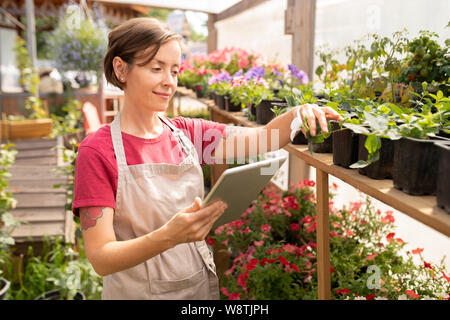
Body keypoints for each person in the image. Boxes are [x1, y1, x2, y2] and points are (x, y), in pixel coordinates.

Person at [72, 17, 343, 300]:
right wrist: (168, 236)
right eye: (156, 68)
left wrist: (300, 113)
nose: (169, 82)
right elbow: (101, 257)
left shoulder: (189, 133)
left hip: (197, 290)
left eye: (175, 71)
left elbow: (265, 138)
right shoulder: (98, 152)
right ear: (121, 69)